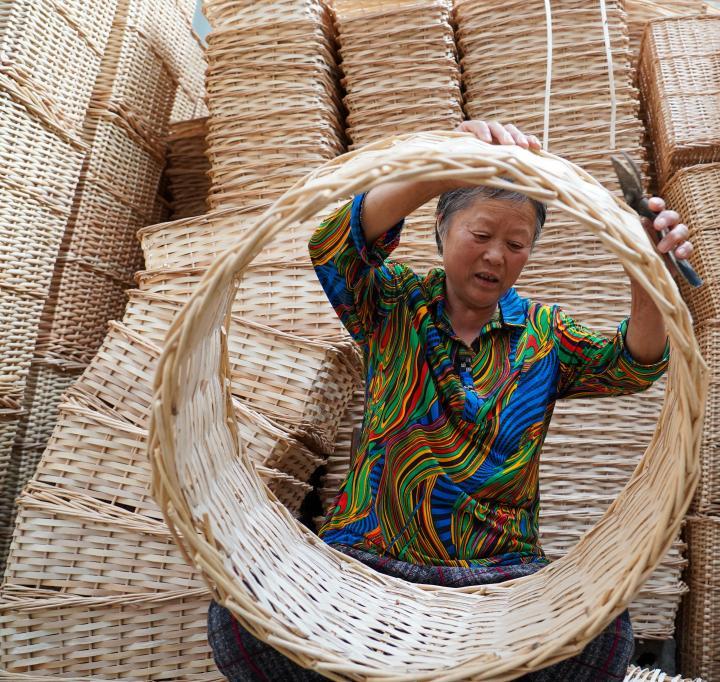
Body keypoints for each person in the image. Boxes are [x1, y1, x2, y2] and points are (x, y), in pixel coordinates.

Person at [207, 120, 694, 681]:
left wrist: (649, 268)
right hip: (367, 563)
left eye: (516, 245)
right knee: (243, 606)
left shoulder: (545, 335)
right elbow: (334, 245)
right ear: (442, 227)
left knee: (600, 639)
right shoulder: (394, 304)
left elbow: (634, 363)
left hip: (496, 578)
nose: (496, 256)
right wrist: (449, 161)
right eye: (480, 234)